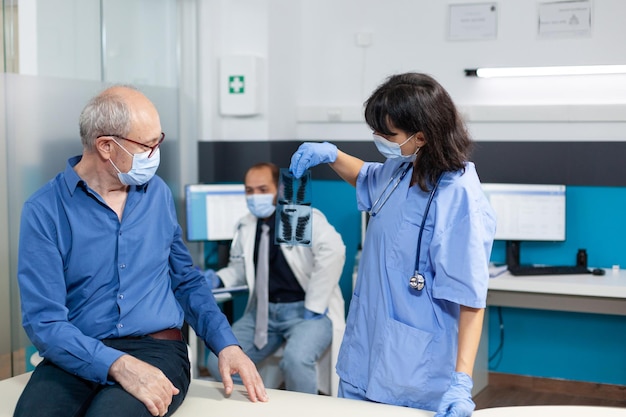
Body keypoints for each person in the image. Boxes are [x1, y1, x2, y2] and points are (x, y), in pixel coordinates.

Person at [14, 85, 268, 417]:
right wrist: (117, 364)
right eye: (148, 145)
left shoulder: (157, 195)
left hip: (157, 348)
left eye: (157, 141)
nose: (155, 154)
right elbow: (44, 321)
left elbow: (186, 281)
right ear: (106, 146)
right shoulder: (44, 210)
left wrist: (226, 344)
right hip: (75, 351)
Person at [289, 73, 496, 416]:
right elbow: (367, 176)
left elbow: (470, 299)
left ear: (423, 136)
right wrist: (331, 154)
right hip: (364, 354)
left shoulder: (459, 197)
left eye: (387, 134)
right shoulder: (402, 167)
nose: (378, 139)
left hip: (414, 370)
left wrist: (462, 382)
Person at [206, 162, 346, 395]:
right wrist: (218, 280)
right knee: (216, 360)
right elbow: (240, 268)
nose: (254, 197)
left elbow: (334, 251)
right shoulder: (246, 225)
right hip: (263, 314)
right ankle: (256, 404)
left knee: (296, 361)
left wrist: (315, 303)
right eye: (249, 191)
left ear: (279, 190)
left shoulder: (298, 216)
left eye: (262, 190)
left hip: (307, 312)